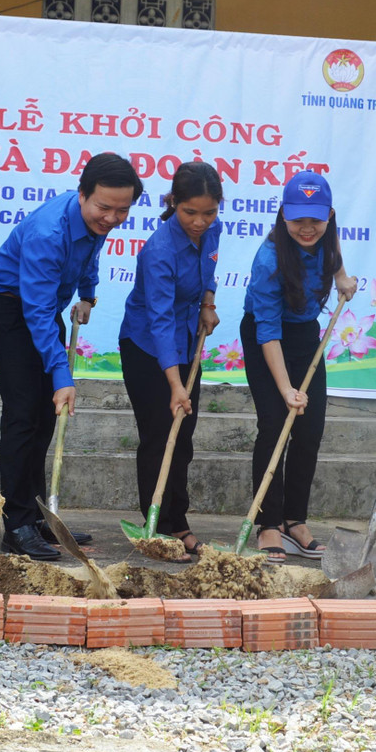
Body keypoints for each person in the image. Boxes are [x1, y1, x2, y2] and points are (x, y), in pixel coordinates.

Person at [0, 152, 144, 560]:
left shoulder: (94, 220)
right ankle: (15, 526)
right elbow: (35, 312)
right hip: (10, 308)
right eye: (103, 207)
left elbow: (91, 251)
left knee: (41, 420)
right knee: (23, 415)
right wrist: (61, 375)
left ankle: (37, 517)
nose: (110, 218)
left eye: (121, 210)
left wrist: (88, 293)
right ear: (82, 194)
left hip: (40, 309)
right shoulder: (47, 232)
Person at [242, 171, 357, 563]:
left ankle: (295, 521)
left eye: (316, 219)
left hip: (305, 334)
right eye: (297, 220)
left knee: (309, 429)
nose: (307, 228)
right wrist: (287, 388)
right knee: (275, 425)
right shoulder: (269, 259)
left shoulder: (327, 239)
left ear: (329, 216)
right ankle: (268, 524)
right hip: (266, 340)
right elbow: (268, 334)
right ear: (283, 216)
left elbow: (333, 250)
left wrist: (342, 277)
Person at [119, 161, 222, 560]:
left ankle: (179, 521)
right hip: (147, 347)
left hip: (186, 342)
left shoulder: (213, 230)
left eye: (209, 212)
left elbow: (209, 268)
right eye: (190, 212)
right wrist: (176, 384)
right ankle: (157, 526)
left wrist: (208, 303)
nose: (200, 222)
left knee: (184, 437)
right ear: (173, 203)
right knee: (160, 436)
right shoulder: (158, 250)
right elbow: (159, 320)